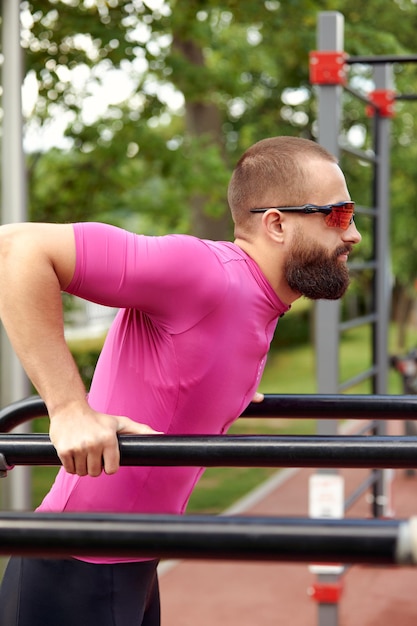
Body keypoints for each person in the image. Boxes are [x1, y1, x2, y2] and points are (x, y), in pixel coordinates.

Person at [0, 136, 361, 625]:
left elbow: (188, 363)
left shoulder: (262, 298)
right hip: (76, 565)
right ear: (277, 224)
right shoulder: (205, 272)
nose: (353, 234)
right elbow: (17, 248)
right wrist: (68, 408)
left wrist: (226, 391)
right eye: (338, 215)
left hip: (133, 558)